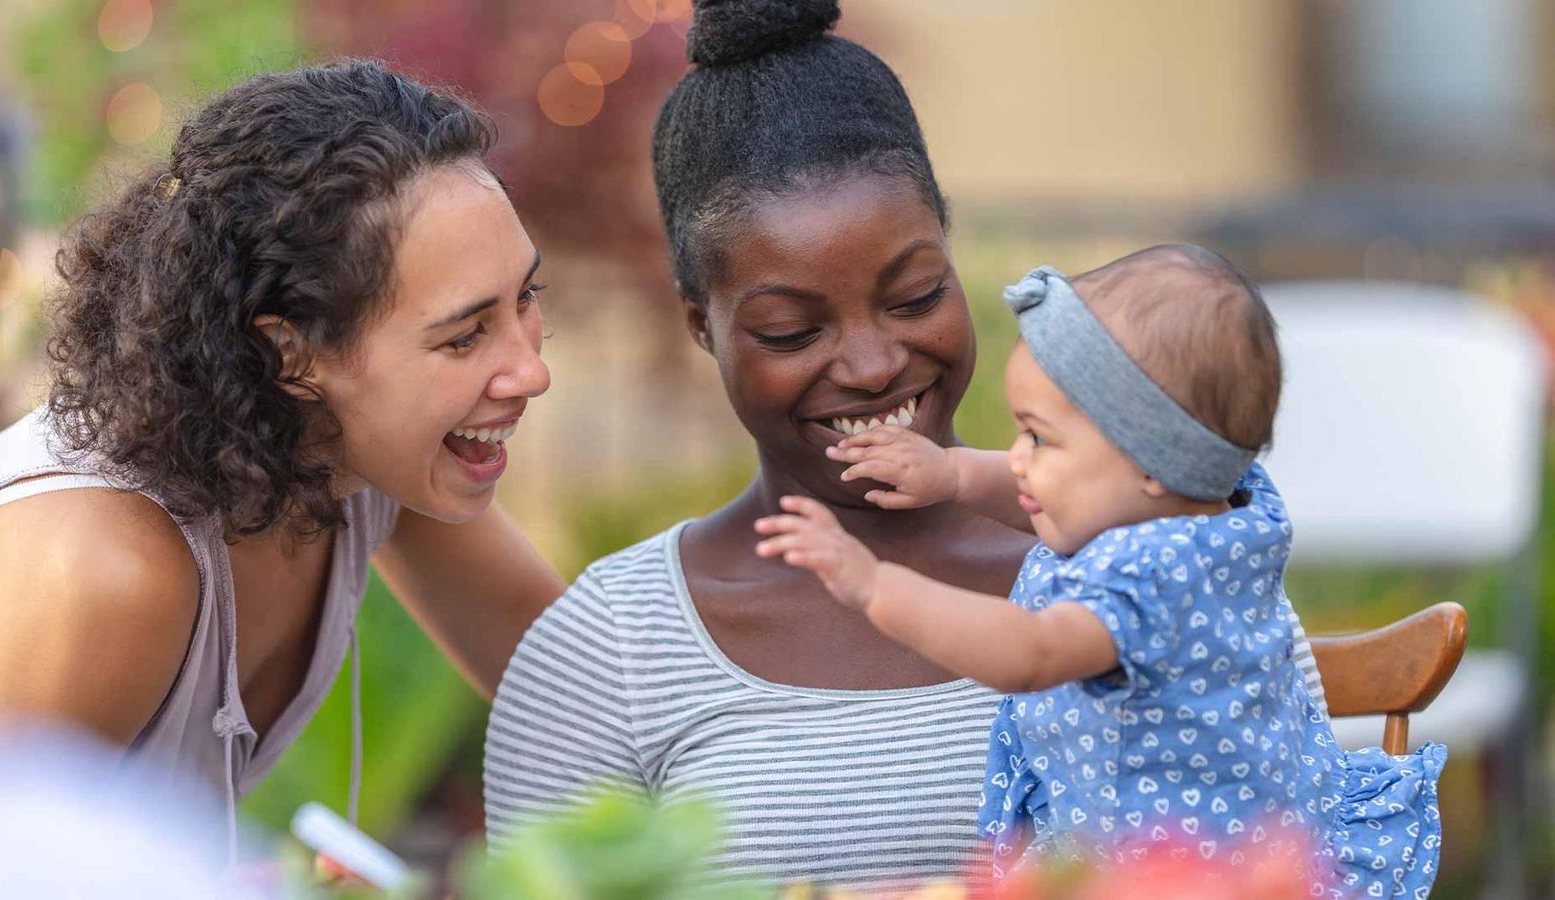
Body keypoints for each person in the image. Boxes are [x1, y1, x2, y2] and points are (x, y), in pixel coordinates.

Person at [483, 1, 1327, 890]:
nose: (875, 363)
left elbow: (1287, 847)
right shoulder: (609, 644)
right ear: (704, 327)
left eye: (916, 295)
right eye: (789, 330)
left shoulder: (1157, 551)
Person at [0, 60, 564, 857]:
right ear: (291, 355)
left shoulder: (359, 461)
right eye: (463, 335)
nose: (533, 371)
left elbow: (579, 699)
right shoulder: (109, 572)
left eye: (526, 297)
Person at [758, 246, 1445, 896]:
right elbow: (1064, 496)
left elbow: (1029, 654)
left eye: (1038, 437)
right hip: (1263, 853)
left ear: (1152, 461)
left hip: (1170, 875)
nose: (1017, 458)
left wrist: (876, 586)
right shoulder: (1221, 509)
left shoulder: (1148, 582)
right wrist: (954, 472)